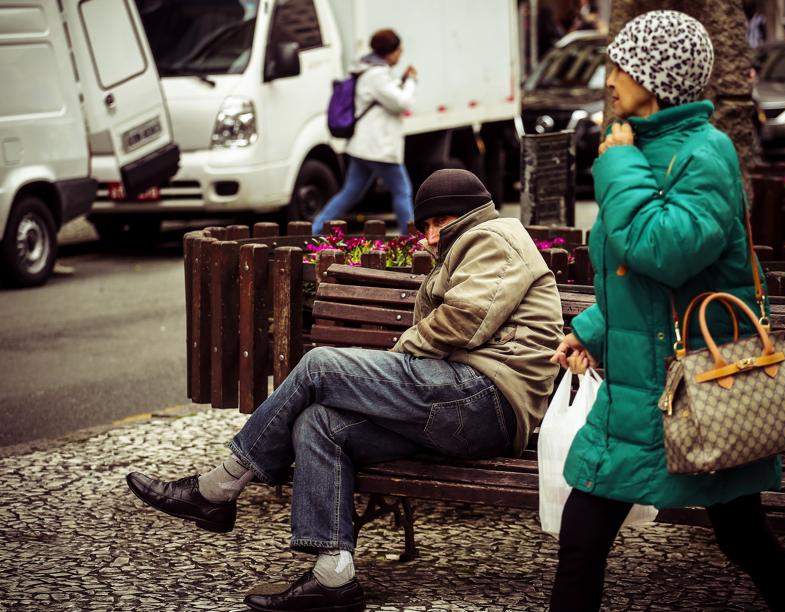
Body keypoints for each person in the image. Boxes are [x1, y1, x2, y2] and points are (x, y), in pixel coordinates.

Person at [126, 169, 564, 612]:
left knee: (320, 365)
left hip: (486, 398)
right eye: (424, 225)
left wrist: (400, 353)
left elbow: (464, 319)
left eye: (438, 222)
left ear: (467, 213)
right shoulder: (468, 246)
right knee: (322, 423)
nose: (430, 235)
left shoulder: (494, 237)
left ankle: (220, 487)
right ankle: (334, 575)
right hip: (458, 404)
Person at [548, 11, 785, 612]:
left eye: (622, 64)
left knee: (743, 536)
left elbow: (664, 252)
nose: (608, 75)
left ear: (657, 77)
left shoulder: (704, 153)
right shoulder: (636, 148)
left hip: (698, 389)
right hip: (640, 391)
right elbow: (630, 277)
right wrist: (589, 330)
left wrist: (615, 164)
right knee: (582, 539)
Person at [311, 28, 417, 235]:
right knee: (402, 191)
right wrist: (412, 81)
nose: (400, 55)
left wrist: (403, 81)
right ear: (390, 51)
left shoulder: (370, 71)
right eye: (399, 51)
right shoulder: (377, 75)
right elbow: (402, 103)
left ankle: (315, 230)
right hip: (377, 147)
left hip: (364, 146)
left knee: (351, 193)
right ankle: (411, 240)